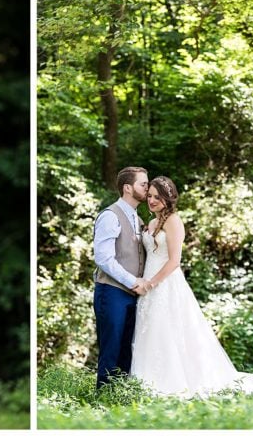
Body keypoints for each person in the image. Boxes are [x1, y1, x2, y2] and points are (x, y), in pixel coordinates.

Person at [129, 176, 253, 397]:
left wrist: (150, 283)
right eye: (149, 196)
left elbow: (174, 261)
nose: (151, 201)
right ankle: (146, 380)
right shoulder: (150, 223)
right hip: (148, 286)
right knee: (150, 330)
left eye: (157, 197)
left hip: (165, 284)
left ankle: (171, 382)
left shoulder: (174, 221)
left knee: (169, 330)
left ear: (168, 198)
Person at [92, 166, 151, 388]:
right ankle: (103, 399)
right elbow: (104, 259)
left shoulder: (137, 218)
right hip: (111, 292)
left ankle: (121, 399)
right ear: (128, 187)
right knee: (111, 348)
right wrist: (133, 281)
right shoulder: (110, 216)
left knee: (128, 348)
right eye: (142, 184)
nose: (147, 188)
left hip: (132, 295)